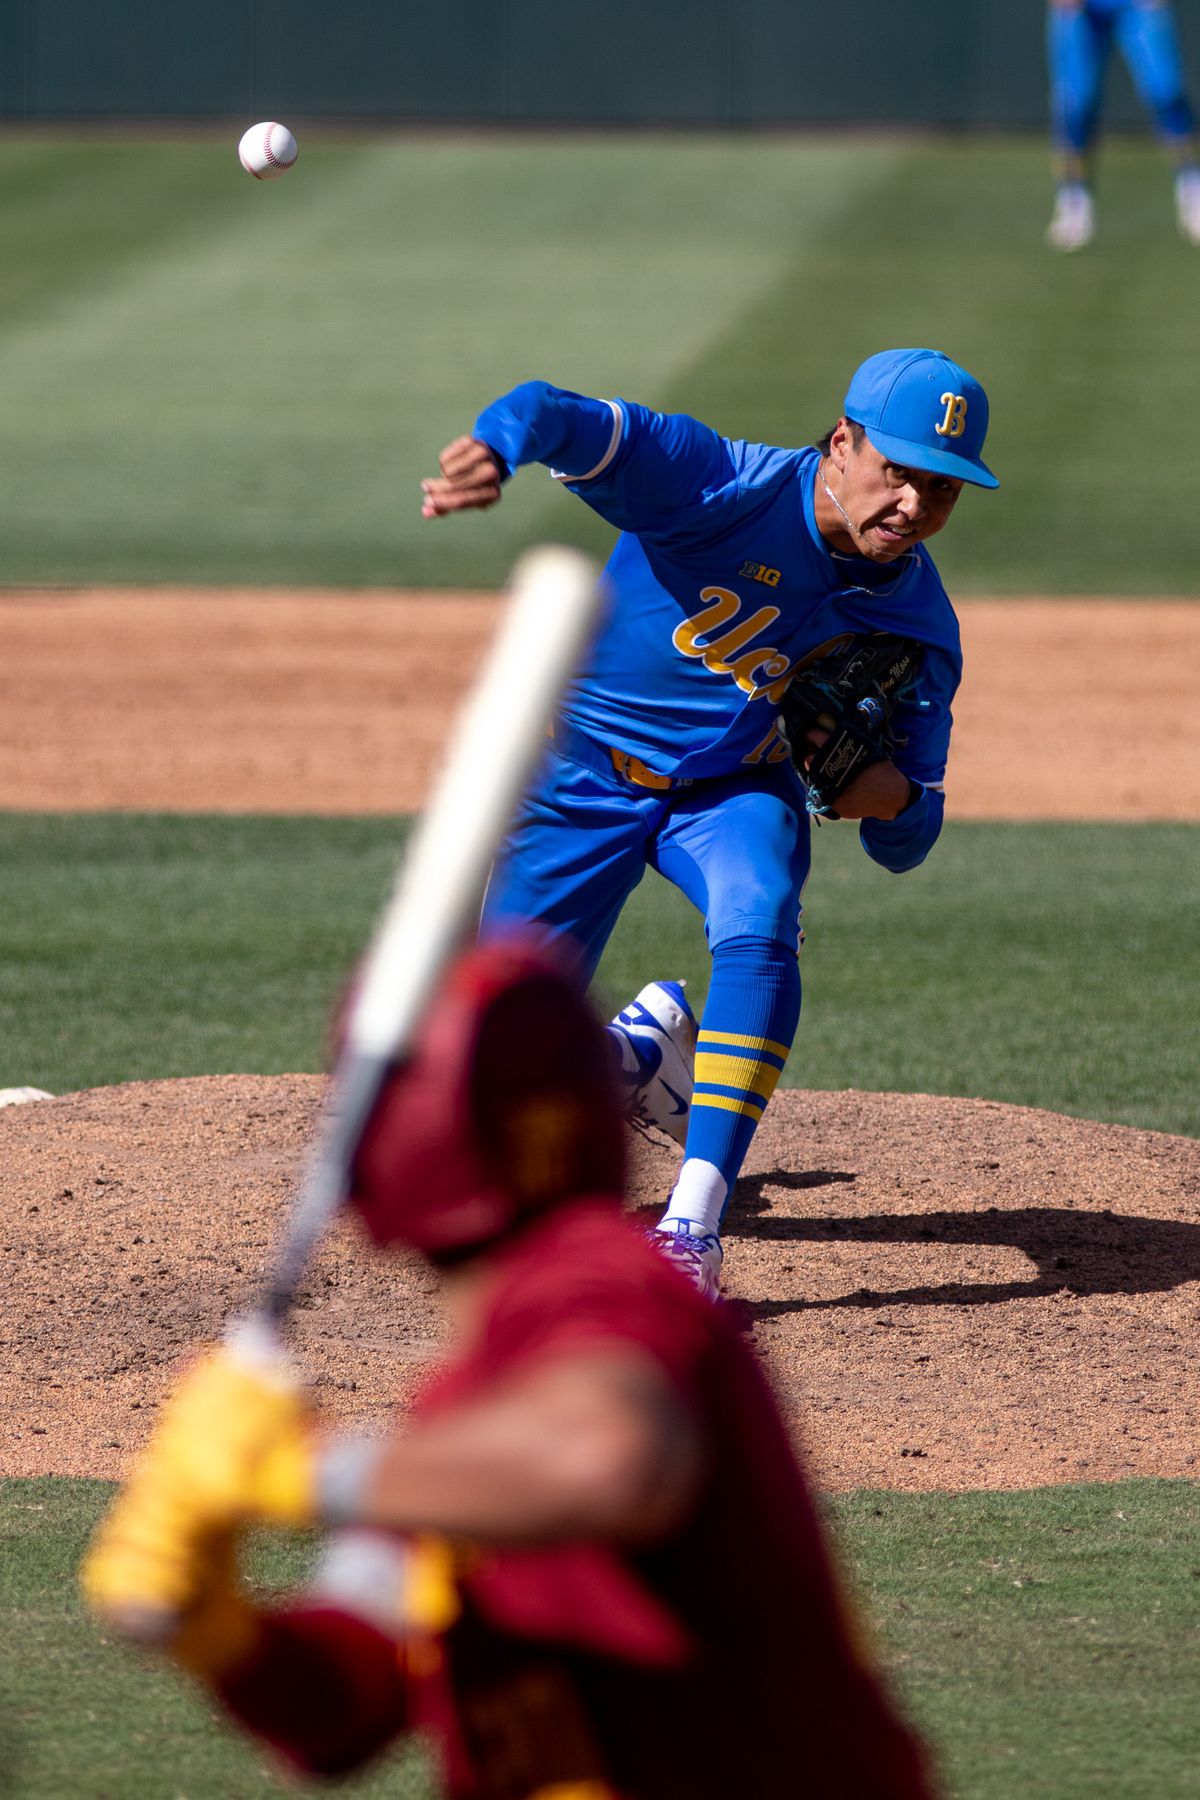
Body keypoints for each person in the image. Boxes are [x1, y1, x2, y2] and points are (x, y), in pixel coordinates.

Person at [81, 934, 937, 1799]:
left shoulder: (606, 1286)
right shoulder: (467, 1427)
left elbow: (607, 1458)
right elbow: (345, 1708)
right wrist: (219, 1634)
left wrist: (299, 1467)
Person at [419, 348, 998, 1298]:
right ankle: (628, 1056)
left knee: (760, 914)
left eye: (943, 492)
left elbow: (911, 837)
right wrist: (496, 444)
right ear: (844, 443)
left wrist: (881, 795)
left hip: (730, 795)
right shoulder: (715, 481)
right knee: (491, 1079)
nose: (914, 509)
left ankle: (692, 1224)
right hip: (578, 778)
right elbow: (553, 410)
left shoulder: (919, 626)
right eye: (899, 474)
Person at [1046, 0, 1200, 249]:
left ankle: (1192, 189)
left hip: (1136, 5)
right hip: (1082, 9)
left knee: (1167, 93)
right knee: (1074, 104)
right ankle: (1073, 201)